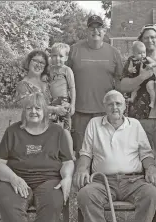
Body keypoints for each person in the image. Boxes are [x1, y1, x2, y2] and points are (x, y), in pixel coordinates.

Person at [74, 90, 156, 222]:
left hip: (133, 181)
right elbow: (86, 153)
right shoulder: (94, 124)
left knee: (151, 194)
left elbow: (146, 154)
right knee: (85, 195)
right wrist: (81, 168)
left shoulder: (134, 125)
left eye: (118, 103)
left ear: (125, 106)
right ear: (104, 107)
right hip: (103, 182)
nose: (115, 107)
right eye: (110, 104)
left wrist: (151, 169)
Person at [0, 92, 74, 222]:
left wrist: (67, 177)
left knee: (54, 201)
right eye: (29, 108)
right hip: (17, 178)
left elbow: (68, 161)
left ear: (45, 111)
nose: (33, 111)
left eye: (38, 108)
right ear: (24, 111)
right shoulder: (13, 131)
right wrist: (13, 178)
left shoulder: (57, 132)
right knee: (6, 201)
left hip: (49, 179)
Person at [67, 15, 123, 157]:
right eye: (92, 28)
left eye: (99, 28)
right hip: (80, 112)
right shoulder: (74, 50)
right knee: (80, 152)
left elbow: (121, 81)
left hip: (105, 112)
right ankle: (81, 178)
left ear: (105, 31)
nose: (96, 31)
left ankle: (100, 179)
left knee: (104, 152)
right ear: (87, 30)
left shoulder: (114, 53)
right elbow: (62, 75)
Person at [120, 25, 156, 195]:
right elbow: (122, 85)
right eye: (146, 37)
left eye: (153, 37)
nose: (150, 40)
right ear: (141, 40)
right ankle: (143, 194)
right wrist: (142, 77)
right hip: (140, 116)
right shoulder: (133, 61)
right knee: (141, 158)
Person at [15, 49, 67, 117]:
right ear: (28, 62)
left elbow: (57, 98)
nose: (38, 65)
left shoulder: (48, 82)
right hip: (35, 125)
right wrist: (55, 109)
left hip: (53, 124)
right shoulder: (22, 85)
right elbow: (30, 107)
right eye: (35, 61)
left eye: (42, 63)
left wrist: (64, 103)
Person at [49, 42, 76, 159]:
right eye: (54, 55)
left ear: (66, 58)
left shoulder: (67, 70)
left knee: (66, 129)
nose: (57, 58)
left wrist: (73, 104)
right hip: (52, 102)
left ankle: (70, 154)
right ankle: (54, 153)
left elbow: (72, 88)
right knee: (51, 128)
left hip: (64, 101)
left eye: (60, 56)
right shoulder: (49, 70)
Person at [126, 41, 156, 108]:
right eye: (139, 53)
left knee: (150, 87)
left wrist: (151, 65)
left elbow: (155, 63)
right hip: (138, 78)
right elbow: (129, 68)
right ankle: (132, 98)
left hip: (149, 78)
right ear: (134, 53)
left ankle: (153, 101)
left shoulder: (147, 58)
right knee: (134, 88)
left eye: (144, 52)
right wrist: (131, 69)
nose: (142, 55)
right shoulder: (132, 60)